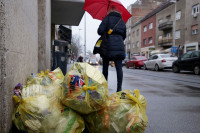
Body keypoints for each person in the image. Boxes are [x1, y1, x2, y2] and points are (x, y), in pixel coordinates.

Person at [97, 5, 126, 92]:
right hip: (119, 46)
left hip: (107, 46)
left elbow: (99, 31)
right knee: (119, 68)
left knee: (105, 67)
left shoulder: (107, 19)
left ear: (109, 11)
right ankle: (119, 88)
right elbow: (124, 36)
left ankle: (105, 87)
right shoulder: (122, 21)